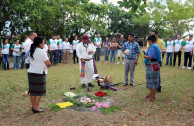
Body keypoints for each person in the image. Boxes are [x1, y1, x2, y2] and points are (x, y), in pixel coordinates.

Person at [28, 36, 51, 113]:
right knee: (38, 91)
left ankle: (34, 106)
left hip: (31, 73)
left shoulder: (32, 50)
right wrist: (49, 62)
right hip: (39, 73)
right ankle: (36, 108)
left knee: (33, 91)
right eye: (43, 42)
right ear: (40, 44)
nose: (44, 44)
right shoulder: (42, 51)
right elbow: (48, 64)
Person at [144, 35, 161, 101]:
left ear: (150, 41)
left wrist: (145, 56)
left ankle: (152, 96)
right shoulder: (156, 46)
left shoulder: (153, 47)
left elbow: (150, 57)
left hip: (152, 65)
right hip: (154, 64)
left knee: (152, 80)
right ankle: (150, 94)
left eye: (148, 41)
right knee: (151, 79)